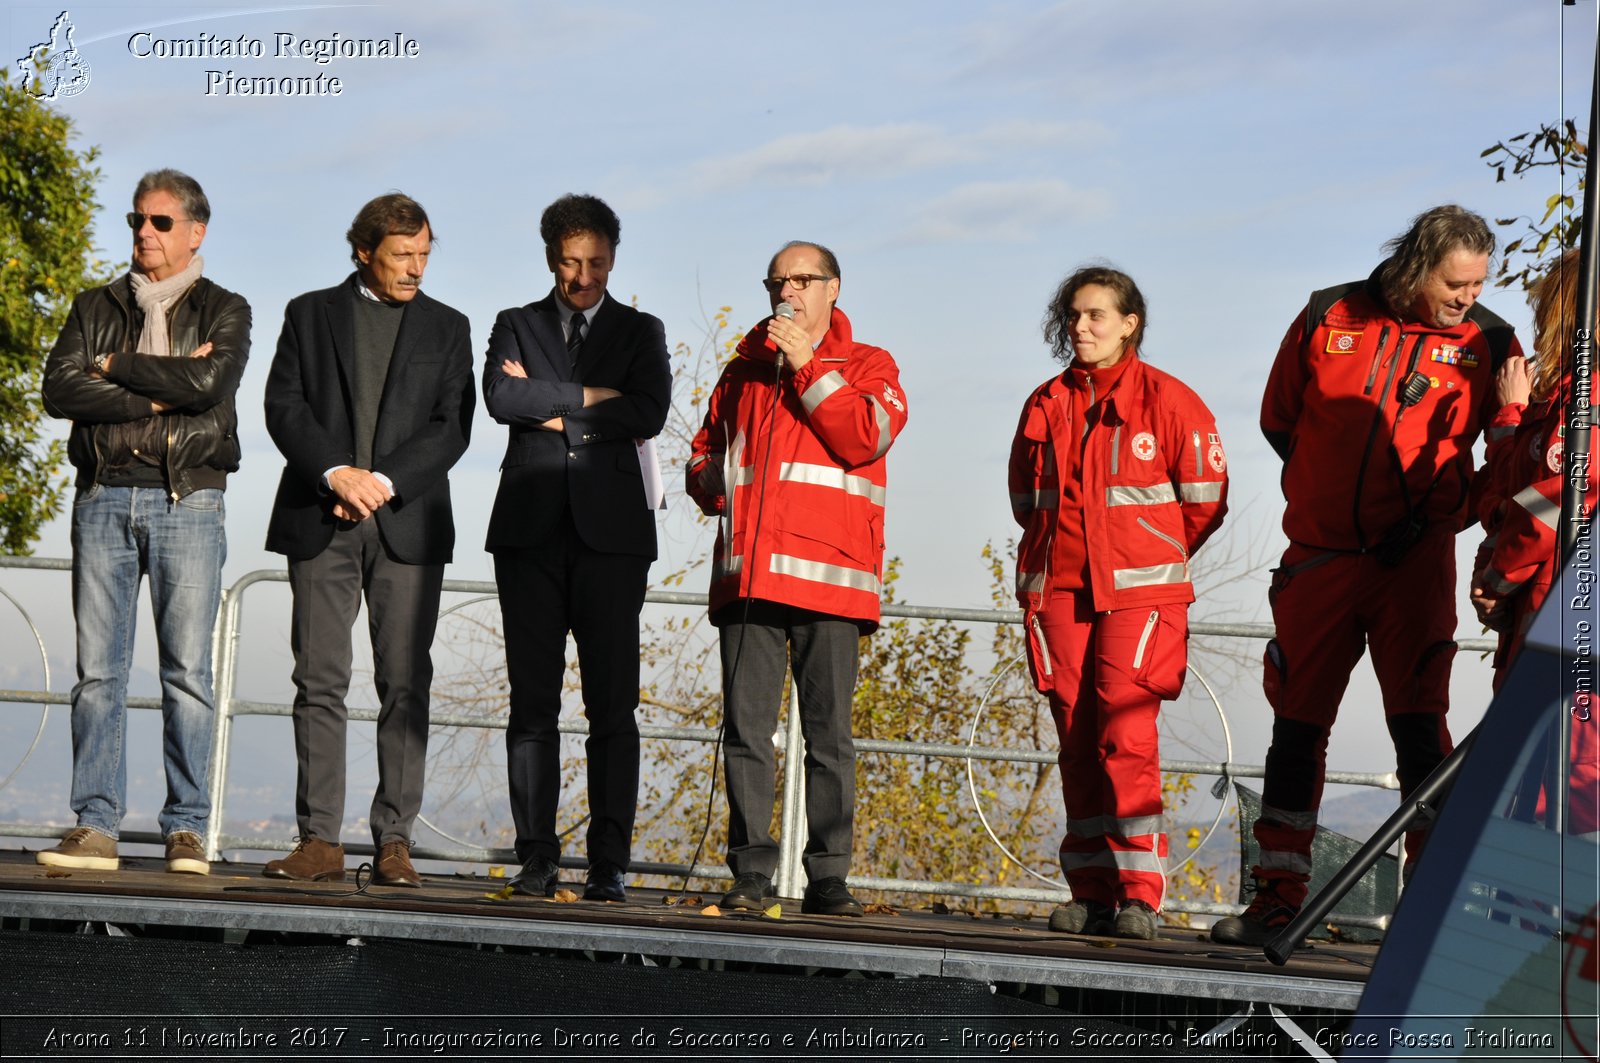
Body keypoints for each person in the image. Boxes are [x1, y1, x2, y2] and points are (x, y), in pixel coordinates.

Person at [1212, 205, 1525, 946]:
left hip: (1414, 567)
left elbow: (1506, 460)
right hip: (1320, 560)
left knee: (1421, 735)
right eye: (1456, 282)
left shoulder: (1491, 342)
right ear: (1419, 265)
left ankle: (1431, 911)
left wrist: (1444, 514)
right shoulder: (1329, 314)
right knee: (1297, 728)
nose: (1466, 297)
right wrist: (1331, 499)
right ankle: (1277, 900)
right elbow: (1280, 420)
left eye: (1479, 282)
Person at [38, 168, 250, 875]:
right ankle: (94, 826)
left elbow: (209, 384)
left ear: (196, 231)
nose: (144, 233)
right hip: (102, 497)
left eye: (160, 222)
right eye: (136, 220)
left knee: (187, 673)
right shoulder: (91, 303)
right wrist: (157, 395)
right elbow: (59, 388)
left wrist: (115, 368)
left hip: (190, 501)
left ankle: (186, 829)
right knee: (98, 673)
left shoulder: (227, 308)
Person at [687, 241, 907, 917]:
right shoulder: (742, 370)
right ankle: (750, 873)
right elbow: (705, 454)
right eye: (777, 281)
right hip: (748, 581)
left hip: (830, 580)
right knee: (746, 732)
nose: (789, 292)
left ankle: (829, 876)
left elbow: (864, 436)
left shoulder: (870, 365)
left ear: (833, 287)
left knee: (828, 734)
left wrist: (808, 367)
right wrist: (711, 482)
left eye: (802, 280)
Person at [261, 193, 475, 887]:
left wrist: (380, 481)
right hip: (320, 516)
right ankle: (319, 840)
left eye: (423, 254)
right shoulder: (307, 313)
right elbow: (283, 407)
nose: (415, 268)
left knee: (405, 682)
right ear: (363, 252)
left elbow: (453, 426)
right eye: (400, 255)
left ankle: (395, 843)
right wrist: (336, 473)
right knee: (318, 679)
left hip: (405, 519)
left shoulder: (449, 326)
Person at [1009, 266, 1228, 941]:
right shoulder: (1045, 401)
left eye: (1097, 315)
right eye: (1074, 315)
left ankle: (1140, 894)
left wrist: (1142, 555)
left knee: (1126, 738)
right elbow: (1025, 500)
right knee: (1076, 740)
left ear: (1130, 321)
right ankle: (1092, 890)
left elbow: (1205, 501)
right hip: (1060, 594)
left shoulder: (1171, 401)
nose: (1081, 327)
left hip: (1141, 598)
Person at [483, 194, 670, 903]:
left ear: (613, 258)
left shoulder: (641, 329)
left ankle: (608, 863)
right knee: (531, 705)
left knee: (612, 707)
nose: (582, 277)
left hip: (614, 541)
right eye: (569, 263)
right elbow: (502, 398)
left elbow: (648, 409)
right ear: (549, 258)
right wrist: (595, 398)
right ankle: (536, 857)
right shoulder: (515, 322)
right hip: (528, 534)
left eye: (594, 263)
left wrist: (555, 412)